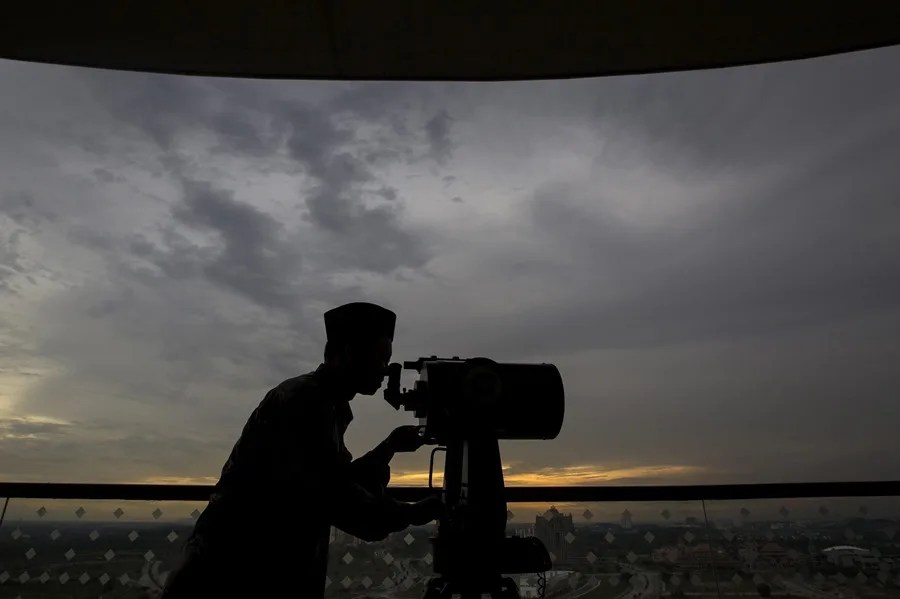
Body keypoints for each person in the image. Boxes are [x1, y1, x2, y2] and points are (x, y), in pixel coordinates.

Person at [161, 301, 444, 598]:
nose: (386, 371)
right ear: (349, 353)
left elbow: (334, 480)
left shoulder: (328, 404)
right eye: (380, 359)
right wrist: (409, 513)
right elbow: (333, 495)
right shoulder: (303, 402)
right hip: (233, 572)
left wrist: (389, 448)